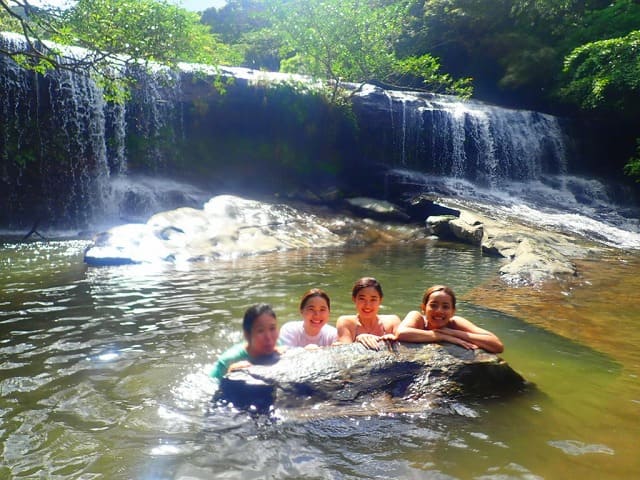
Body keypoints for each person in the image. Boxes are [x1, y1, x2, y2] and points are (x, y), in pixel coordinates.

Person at [396, 285, 504, 353]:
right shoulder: (417, 318)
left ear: (453, 311)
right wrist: (442, 336)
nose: (439, 310)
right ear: (423, 308)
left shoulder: (455, 323)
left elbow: (497, 345)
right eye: (433, 305)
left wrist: (452, 332)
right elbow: (401, 333)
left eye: (446, 307)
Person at [210, 303, 281, 381]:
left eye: (272, 328)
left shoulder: (279, 345)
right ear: (247, 335)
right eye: (260, 331)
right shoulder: (228, 361)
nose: (269, 337)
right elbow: (209, 385)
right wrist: (229, 374)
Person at [335, 277, 400, 350]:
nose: (367, 305)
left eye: (373, 299)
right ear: (354, 299)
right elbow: (345, 352)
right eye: (362, 299)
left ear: (380, 300)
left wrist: (393, 339)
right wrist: (358, 339)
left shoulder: (392, 321)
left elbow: (404, 346)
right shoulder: (346, 322)